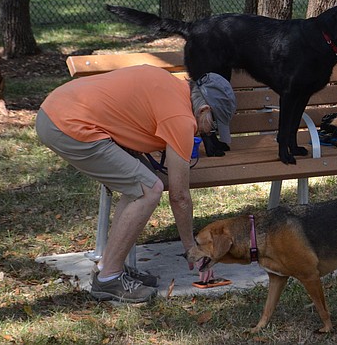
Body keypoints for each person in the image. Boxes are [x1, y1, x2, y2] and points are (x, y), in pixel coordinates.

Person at [36, 65, 237, 302]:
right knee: (149, 190)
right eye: (213, 125)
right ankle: (109, 279)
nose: (209, 132)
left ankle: (108, 266)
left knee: (140, 186)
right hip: (67, 123)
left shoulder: (173, 88)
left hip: (57, 109)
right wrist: (193, 251)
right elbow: (180, 197)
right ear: (203, 109)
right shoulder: (181, 118)